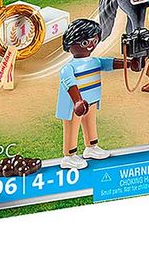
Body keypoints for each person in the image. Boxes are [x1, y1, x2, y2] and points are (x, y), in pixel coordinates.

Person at [56, 19, 136, 170]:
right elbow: (69, 83)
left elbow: (110, 63)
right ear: (70, 44)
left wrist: (130, 64)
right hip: (74, 105)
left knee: (90, 123)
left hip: (91, 100)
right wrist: (77, 101)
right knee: (72, 127)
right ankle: (69, 156)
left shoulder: (94, 61)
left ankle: (91, 147)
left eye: (94, 41)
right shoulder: (68, 68)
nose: (91, 45)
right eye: (85, 42)